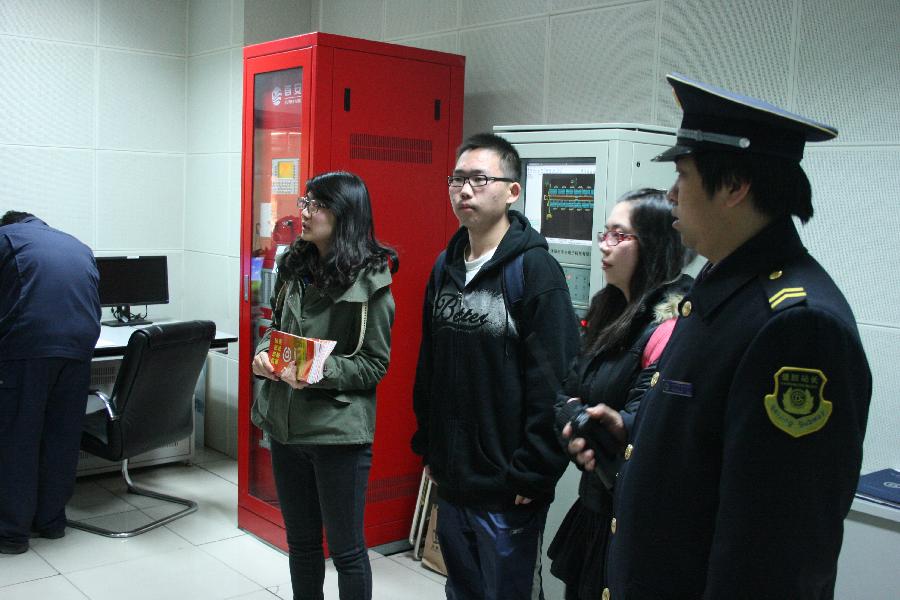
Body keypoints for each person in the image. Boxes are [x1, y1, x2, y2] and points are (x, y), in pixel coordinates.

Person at [583, 74, 872, 599]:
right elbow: (711, 442)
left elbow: (777, 549)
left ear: (735, 186)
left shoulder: (796, 325)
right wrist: (635, 430)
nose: (671, 194)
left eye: (683, 174)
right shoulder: (721, 288)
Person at [411, 132, 581, 600]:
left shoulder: (534, 270)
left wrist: (536, 469)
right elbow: (430, 367)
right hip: (453, 476)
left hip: (509, 485)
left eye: (479, 179)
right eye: (457, 179)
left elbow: (555, 380)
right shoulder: (445, 267)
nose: (465, 190)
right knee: (461, 589)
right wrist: (430, 446)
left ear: (512, 191)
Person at [250, 172, 397, 600]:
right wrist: (265, 354)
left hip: (337, 433)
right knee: (301, 544)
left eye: (316, 205)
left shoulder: (372, 282)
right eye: (305, 202)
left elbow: (373, 365)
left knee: (347, 551)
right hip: (285, 426)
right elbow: (275, 328)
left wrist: (314, 370)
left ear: (344, 214)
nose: (305, 212)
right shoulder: (294, 266)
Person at [548, 189, 692, 600]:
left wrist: (581, 419)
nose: (604, 245)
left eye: (619, 235)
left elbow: (637, 430)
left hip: (631, 519)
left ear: (656, 245)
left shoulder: (670, 325)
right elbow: (563, 394)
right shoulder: (608, 306)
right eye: (604, 233)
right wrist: (579, 420)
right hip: (593, 507)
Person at [0, 211, 101, 555]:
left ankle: (11, 533)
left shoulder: (6, 239)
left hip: (29, 347)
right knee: (61, 437)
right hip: (79, 348)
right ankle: (51, 522)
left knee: (18, 438)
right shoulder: (78, 245)